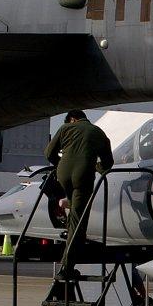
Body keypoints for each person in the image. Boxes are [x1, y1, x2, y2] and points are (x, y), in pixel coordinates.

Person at [44, 110, 114, 259]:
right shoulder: (98, 132)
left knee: (73, 210)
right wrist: (96, 167)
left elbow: (49, 153)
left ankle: (71, 238)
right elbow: (108, 163)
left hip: (63, 175)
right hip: (83, 177)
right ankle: (67, 265)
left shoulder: (64, 128)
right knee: (79, 219)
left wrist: (61, 164)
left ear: (72, 119)